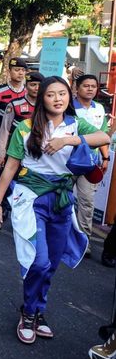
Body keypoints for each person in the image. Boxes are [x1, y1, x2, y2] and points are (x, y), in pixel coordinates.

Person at [0, 76, 109, 345]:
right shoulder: (26, 127)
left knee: (52, 265)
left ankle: (37, 310)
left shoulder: (75, 124)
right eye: (51, 94)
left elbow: (103, 136)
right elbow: (10, 167)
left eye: (63, 94)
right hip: (31, 199)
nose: (58, 99)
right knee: (39, 261)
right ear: (42, 98)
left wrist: (69, 141)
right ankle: (29, 312)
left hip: (62, 201)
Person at [72, 74, 109, 257]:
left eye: (93, 86)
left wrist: (105, 157)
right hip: (67, 162)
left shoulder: (100, 108)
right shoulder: (68, 106)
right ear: (77, 88)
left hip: (90, 164)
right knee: (61, 200)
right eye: (86, 86)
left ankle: (83, 242)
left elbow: (102, 134)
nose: (90, 89)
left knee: (87, 203)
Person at [0, 71, 42, 168]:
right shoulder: (14, 105)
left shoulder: (46, 106)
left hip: (37, 154)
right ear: (26, 85)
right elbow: (5, 130)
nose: (37, 88)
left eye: (39, 85)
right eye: (33, 85)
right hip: (14, 151)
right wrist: (0, 153)